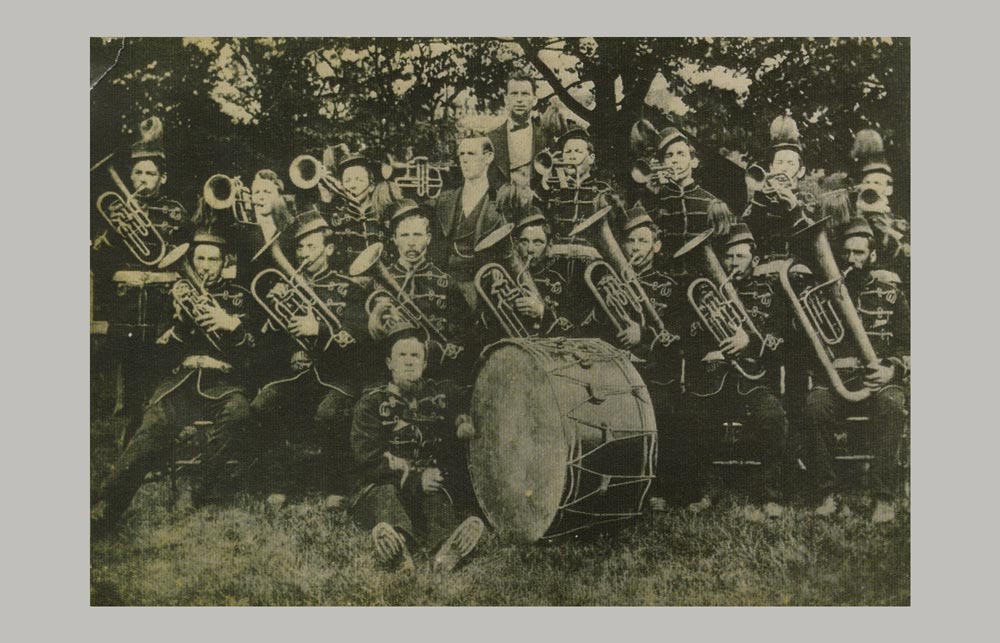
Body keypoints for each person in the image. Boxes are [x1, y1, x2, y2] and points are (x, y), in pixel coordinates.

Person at [92, 230, 258, 533]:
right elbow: (158, 356)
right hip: (182, 383)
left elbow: (253, 354)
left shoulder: (241, 298)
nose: (205, 266)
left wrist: (231, 325)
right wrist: (180, 327)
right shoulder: (174, 298)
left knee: (239, 413)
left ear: (225, 263)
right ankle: (107, 504)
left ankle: (198, 488)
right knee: (153, 424)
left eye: (212, 260)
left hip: (224, 385)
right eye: (199, 259)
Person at [668, 223, 791, 516]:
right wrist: (709, 344)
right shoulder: (704, 292)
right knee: (691, 416)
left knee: (773, 417)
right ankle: (706, 490)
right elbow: (688, 335)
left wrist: (749, 340)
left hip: (753, 380)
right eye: (729, 256)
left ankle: (769, 493)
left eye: (740, 257)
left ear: (754, 260)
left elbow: (780, 340)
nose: (733, 263)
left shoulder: (771, 292)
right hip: (713, 379)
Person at [250, 212, 371, 495]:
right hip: (298, 375)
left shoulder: (348, 288)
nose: (304, 253)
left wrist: (318, 329)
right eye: (300, 248)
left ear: (329, 249)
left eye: (311, 246)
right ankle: (282, 482)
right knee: (262, 405)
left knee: (329, 414)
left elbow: (356, 337)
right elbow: (265, 345)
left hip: (337, 376)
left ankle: (336, 486)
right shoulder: (286, 288)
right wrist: (278, 324)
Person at [800, 217, 910, 523]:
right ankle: (828, 494)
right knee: (815, 406)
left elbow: (909, 344)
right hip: (840, 380)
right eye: (846, 252)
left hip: (879, 379)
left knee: (892, 406)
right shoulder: (824, 295)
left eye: (859, 252)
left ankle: (883, 497)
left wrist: (892, 370)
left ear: (872, 255)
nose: (851, 259)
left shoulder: (891, 293)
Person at [349, 328, 485, 573]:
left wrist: (462, 420)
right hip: (381, 487)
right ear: (390, 363)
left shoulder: (437, 395)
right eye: (402, 355)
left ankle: (445, 548)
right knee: (386, 497)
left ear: (424, 363)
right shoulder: (371, 403)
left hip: (425, 487)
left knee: (436, 500)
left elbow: (462, 401)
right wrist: (415, 480)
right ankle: (397, 546)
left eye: (415, 355)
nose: (409, 361)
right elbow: (367, 461)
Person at [92, 116, 192, 439]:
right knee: (131, 382)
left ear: (163, 178)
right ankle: (130, 439)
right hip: (127, 305)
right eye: (138, 173)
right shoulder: (115, 211)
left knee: (161, 376)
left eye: (150, 174)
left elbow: (184, 257)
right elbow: (98, 260)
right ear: (130, 176)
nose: (143, 180)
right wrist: (113, 231)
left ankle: (160, 439)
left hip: (162, 307)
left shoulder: (176, 212)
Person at [613, 206, 686, 511]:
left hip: (655, 371)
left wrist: (642, 334)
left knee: (664, 412)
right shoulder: (611, 280)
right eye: (630, 241)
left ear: (656, 246)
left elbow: (678, 333)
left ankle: (658, 487)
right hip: (617, 367)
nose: (635, 248)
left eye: (643, 241)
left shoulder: (670, 287)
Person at [361, 200, 476, 379]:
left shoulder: (444, 282)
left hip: (435, 368)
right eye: (404, 235)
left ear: (428, 239)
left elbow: (465, 329)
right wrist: (376, 325)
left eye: (417, 235)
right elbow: (364, 336)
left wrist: (452, 346)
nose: (411, 242)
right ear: (395, 239)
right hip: (389, 371)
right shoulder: (377, 284)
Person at [635, 125, 734, 272]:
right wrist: (652, 196)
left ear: (694, 162)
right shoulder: (655, 199)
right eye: (669, 156)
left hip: (702, 278)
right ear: (662, 164)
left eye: (681, 154)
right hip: (665, 277)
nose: (675, 160)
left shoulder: (712, 203)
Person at [428, 131, 504, 309]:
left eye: (471, 153)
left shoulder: (502, 199)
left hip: (484, 290)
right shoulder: (445, 199)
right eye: (461, 154)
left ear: (488, 157)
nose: (464, 159)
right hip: (447, 288)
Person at [741, 115, 815, 263]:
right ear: (771, 168)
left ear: (801, 171)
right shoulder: (760, 200)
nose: (784, 169)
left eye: (790, 163)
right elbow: (748, 236)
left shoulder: (809, 201)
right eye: (779, 162)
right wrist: (760, 201)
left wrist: (795, 208)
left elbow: (813, 242)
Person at [312, 145, 393, 272]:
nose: (353, 186)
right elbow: (320, 241)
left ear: (371, 186)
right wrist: (326, 199)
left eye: (359, 180)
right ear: (342, 186)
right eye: (348, 181)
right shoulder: (334, 214)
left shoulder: (385, 213)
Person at [850, 129, 910, 285]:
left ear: (888, 189)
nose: (871, 187)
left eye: (876, 183)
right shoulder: (855, 216)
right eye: (867, 183)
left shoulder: (896, 222)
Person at [486, 72, 547, 190]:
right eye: (514, 94)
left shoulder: (546, 137)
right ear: (506, 99)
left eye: (525, 94)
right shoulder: (490, 139)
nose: (519, 100)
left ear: (534, 100)